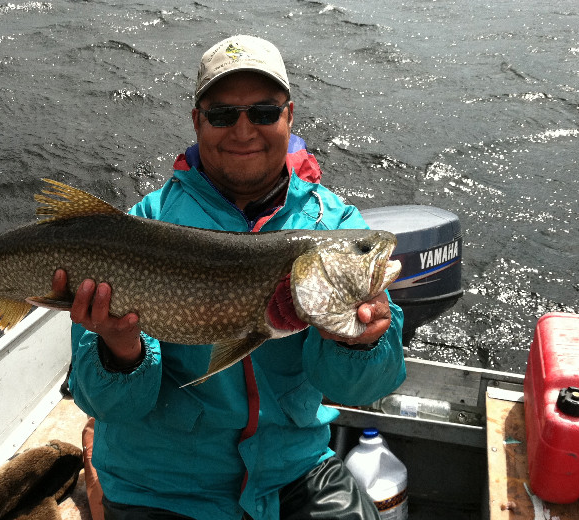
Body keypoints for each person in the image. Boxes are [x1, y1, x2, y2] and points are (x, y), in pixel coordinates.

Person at [58, 35, 406, 520]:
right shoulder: (140, 229)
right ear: (197, 120)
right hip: (157, 483)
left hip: (293, 471)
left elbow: (361, 389)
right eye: (223, 115)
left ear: (290, 115)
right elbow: (105, 403)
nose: (244, 131)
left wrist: (361, 343)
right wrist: (120, 351)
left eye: (263, 112)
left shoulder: (337, 231)